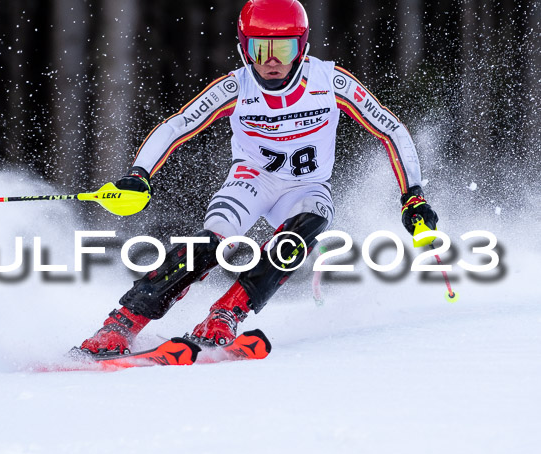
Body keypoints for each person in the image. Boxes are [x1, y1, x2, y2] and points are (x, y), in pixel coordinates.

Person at [77, 0, 438, 354]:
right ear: (243, 48)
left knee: (305, 229)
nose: (271, 61)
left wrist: (413, 196)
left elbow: (390, 129)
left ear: (302, 47)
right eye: (259, 48)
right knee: (213, 242)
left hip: (306, 186)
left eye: (283, 48)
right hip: (251, 180)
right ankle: (122, 323)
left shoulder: (330, 81)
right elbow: (177, 126)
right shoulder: (236, 87)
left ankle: (226, 314)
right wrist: (139, 174)